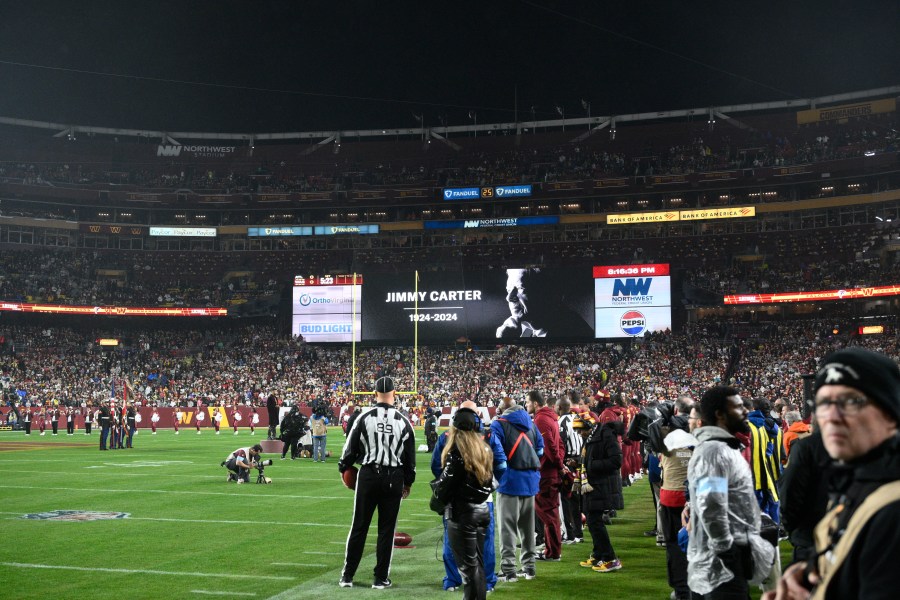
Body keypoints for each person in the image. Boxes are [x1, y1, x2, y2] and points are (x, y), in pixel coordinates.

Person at [765, 347, 900, 600]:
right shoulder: (859, 477)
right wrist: (813, 570)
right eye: (824, 403)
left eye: (852, 401)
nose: (833, 416)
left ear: (890, 413)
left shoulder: (892, 509)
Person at [687, 386, 774, 599]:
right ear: (720, 414)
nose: (745, 411)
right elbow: (711, 504)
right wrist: (727, 551)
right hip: (722, 563)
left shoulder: (722, 448)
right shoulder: (714, 451)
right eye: (738, 407)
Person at [338, 376, 416, 590]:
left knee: (359, 526)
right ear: (395, 394)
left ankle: (347, 576)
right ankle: (380, 578)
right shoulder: (403, 420)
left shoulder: (363, 417)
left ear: (374, 395)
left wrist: (344, 470)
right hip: (394, 478)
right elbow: (410, 459)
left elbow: (348, 451)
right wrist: (408, 482)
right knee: (386, 530)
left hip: (369, 475)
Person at [432, 401, 507, 593]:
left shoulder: (447, 437)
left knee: (453, 542)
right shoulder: (488, 436)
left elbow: (437, 468)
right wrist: (485, 486)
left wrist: (447, 488)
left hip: (456, 503)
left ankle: (453, 580)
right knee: (484, 548)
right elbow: (501, 465)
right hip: (483, 502)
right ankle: (487, 582)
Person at [490, 395, 544, 582]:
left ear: (502, 408)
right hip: (530, 482)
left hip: (510, 482)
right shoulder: (531, 423)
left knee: (507, 529)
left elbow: (496, 452)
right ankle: (529, 568)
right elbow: (540, 450)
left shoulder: (499, 424)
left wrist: (501, 475)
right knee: (528, 529)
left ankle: (509, 570)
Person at [657, 396, 695, 600]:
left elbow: (638, 433)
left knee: (674, 545)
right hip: (697, 496)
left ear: (675, 411)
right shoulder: (700, 431)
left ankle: (682, 590)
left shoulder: (665, 432)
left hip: (672, 494)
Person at [578, 410, 625, 573]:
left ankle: (610, 558)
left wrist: (591, 465)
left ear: (590, 425)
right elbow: (589, 458)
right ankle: (598, 555)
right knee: (592, 520)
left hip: (601, 484)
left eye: (581, 429)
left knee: (595, 522)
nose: (579, 432)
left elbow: (616, 460)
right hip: (594, 484)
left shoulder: (605, 435)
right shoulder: (593, 436)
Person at [495, 267, 592, 339]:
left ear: (549, 293)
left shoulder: (574, 331)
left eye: (521, 288)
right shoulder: (520, 329)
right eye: (509, 290)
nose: (509, 298)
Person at [526, 390, 566, 562]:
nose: (526, 405)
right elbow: (560, 444)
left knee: (548, 513)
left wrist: (558, 465)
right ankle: (551, 548)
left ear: (535, 403)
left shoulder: (541, 419)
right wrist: (560, 463)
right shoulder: (551, 418)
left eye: (527, 402)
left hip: (546, 473)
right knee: (550, 512)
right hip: (551, 471)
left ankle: (553, 552)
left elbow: (549, 446)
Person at [557, 394, 584, 544]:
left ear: (560, 407)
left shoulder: (562, 421)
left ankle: (569, 533)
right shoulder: (577, 418)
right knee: (576, 500)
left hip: (568, 462)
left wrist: (562, 464)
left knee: (566, 499)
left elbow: (561, 444)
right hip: (579, 461)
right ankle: (578, 532)